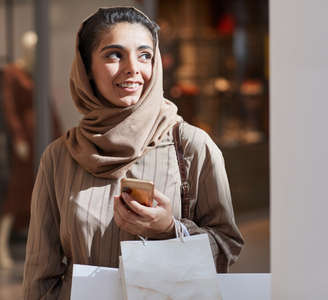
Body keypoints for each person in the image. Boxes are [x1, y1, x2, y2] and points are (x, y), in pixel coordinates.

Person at [23, 7, 243, 299]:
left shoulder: (191, 145)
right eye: (114, 54)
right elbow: (40, 276)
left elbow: (227, 247)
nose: (133, 68)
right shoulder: (59, 157)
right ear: (86, 67)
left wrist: (169, 229)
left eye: (145, 55)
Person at [0, 31, 60, 269]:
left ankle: (43, 250)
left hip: (42, 140)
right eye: (32, 49)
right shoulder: (12, 74)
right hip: (25, 145)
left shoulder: (38, 74)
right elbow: (9, 108)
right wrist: (18, 138)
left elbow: (49, 105)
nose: (35, 54)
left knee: (42, 193)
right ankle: (2, 247)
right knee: (16, 196)